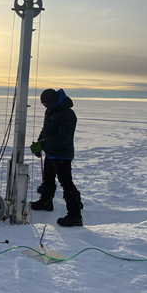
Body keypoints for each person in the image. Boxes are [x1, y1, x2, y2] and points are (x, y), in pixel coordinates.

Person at [30, 88, 84, 227]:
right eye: (43, 104)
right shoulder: (51, 110)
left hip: (62, 155)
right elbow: (46, 129)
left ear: (54, 100)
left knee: (66, 182)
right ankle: (46, 202)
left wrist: (42, 145)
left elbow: (63, 137)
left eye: (46, 103)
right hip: (51, 153)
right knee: (47, 179)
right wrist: (39, 142)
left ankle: (75, 215)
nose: (45, 106)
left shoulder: (67, 114)